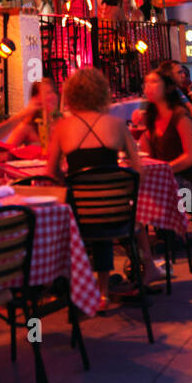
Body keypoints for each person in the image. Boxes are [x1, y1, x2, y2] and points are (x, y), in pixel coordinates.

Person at [46, 66, 161, 303]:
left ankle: (74, 286)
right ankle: (104, 290)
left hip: (80, 217)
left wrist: (70, 183)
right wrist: (119, 185)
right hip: (117, 216)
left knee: (80, 211)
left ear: (71, 95)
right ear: (101, 93)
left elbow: (50, 172)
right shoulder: (117, 125)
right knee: (115, 215)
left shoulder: (62, 128)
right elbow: (139, 171)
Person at [140, 68, 192, 175]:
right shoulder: (152, 116)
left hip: (183, 182)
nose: (148, 86)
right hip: (161, 178)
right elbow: (148, 156)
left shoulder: (180, 115)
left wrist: (162, 171)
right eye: (146, 82)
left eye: (154, 82)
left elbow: (191, 158)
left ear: (168, 87)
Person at [2, 78, 60, 150]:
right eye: (48, 93)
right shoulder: (28, 126)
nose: (53, 96)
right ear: (35, 98)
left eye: (54, 92)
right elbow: (5, 151)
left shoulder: (62, 122)